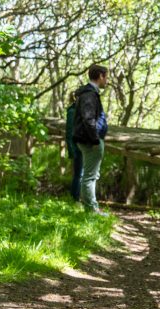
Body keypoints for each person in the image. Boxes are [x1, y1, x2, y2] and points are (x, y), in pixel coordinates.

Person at [72, 64, 110, 214]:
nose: (107, 81)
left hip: (89, 139)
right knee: (89, 176)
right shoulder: (89, 94)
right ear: (100, 76)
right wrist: (95, 140)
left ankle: (91, 208)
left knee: (91, 175)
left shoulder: (89, 93)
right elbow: (88, 119)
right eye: (106, 77)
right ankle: (92, 210)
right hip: (90, 141)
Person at [65, 92, 83, 201]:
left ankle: (77, 198)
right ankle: (75, 199)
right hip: (77, 147)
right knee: (78, 174)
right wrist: (71, 150)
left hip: (83, 146)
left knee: (81, 174)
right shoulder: (72, 112)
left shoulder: (81, 111)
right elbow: (69, 133)